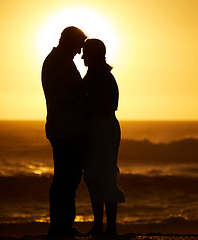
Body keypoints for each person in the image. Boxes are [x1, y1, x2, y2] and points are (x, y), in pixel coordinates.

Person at [41, 26, 87, 236]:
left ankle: (60, 226)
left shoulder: (56, 59)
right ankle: (62, 227)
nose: (79, 52)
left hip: (60, 127)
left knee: (64, 177)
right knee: (67, 179)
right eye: (78, 46)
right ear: (68, 41)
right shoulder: (61, 62)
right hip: (66, 129)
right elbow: (79, 92)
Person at [82, 39, 125, 236]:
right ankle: (101, 226)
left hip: (103, 128)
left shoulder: (102, 77)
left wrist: (81, 109)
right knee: (96, 174)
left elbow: (107, 107)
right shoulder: (96, 75)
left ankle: (108, 227)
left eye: (85, 53)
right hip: (100, 127)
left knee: (102, 174)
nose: (82, 57)